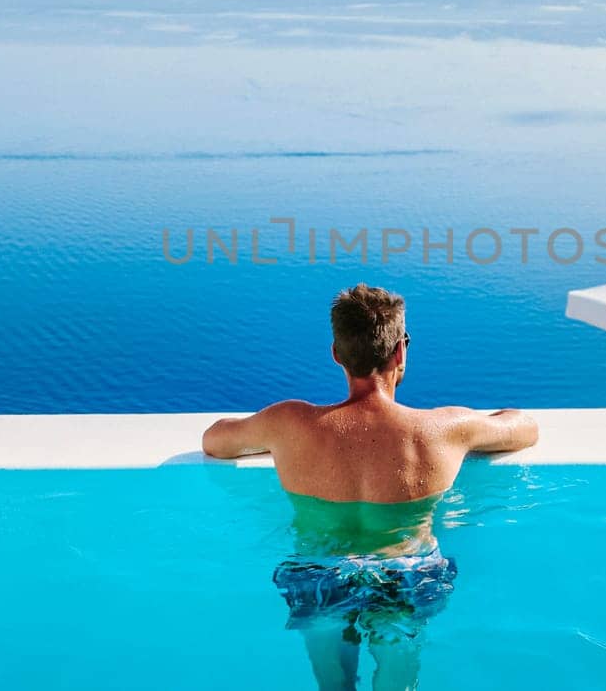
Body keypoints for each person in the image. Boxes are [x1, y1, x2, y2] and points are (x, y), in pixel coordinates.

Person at [202, 283, 539, 691]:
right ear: (400, 351)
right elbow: (523, 427)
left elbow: (215, 440)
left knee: (333, 686)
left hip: (320, 571)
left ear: (336, 354)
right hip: (407, 572)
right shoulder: (442, 430)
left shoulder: (289, 424)